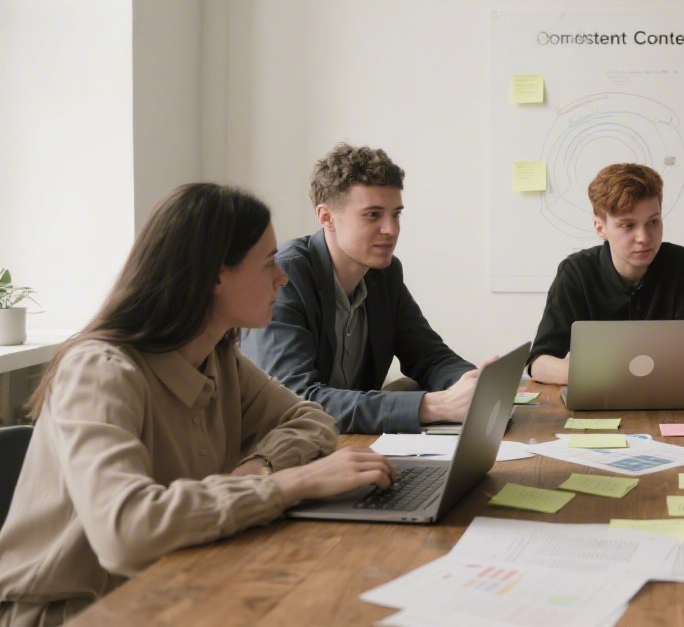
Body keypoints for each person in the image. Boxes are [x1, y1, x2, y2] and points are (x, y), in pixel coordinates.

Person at [0, 184, 396, 626]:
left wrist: (260, 468)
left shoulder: (218, 356)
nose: (281, 278)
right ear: (214, 275)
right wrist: (287, 484)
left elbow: (312, 419)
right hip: (76, 611)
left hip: (175, 581)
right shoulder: (100, 371)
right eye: (268, 263)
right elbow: (125, 533)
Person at [241, 143, 482, 434]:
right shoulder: (286, 275)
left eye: (396, 214)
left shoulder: (385, 273)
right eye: (372, 215)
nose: (391, 230)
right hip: (280, 457)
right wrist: (432, 406)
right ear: (326, 217)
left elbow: (429, 356)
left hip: (351, 446)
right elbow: (294, 400)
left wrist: (473, 384)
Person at [528, 163, 684, 385]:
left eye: (653, 222)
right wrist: (604, 375)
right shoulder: (577, 272)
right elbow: (538, 363)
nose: (644, 237)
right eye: (628, 226)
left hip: (665, 403)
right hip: (598, 397)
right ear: (600, 228)